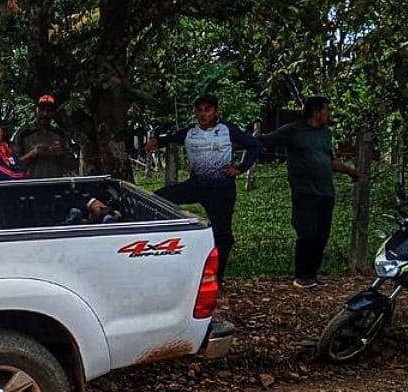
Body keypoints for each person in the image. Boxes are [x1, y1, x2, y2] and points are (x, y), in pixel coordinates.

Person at [144, 94, 260, 283]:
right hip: (197, 185)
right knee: (158, 198)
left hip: (222, 188)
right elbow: (169, 138)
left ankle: (217, 278)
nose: (203, 114)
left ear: (215, 111)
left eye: (208, 109)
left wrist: (240, 168)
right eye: (200, 110)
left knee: (222, 233)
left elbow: (254, 145)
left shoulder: (227, 129)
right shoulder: (190, 132)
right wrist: (156, 141)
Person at [259, 96, 361, 289]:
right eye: (327, 110)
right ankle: (301, 274)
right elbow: (266, 141)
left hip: (325, 191)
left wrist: (350, 172)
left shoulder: (325, 134)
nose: (329, 114)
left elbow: (329, 160)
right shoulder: (293, 130)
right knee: (307, 233)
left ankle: (312, 274)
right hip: (304, 191)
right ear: (317, 112)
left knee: (321, 235)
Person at [15, 94, 77, 178]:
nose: (45, 114)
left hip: (56, 186)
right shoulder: (23, 134)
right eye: (42, 110)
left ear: (53, 113)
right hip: (31, 186)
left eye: (49, 110)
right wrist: (32, 154)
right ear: (36, 110)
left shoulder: (61, 134)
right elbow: (14, 165)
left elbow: (73, 164)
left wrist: (61, 154)